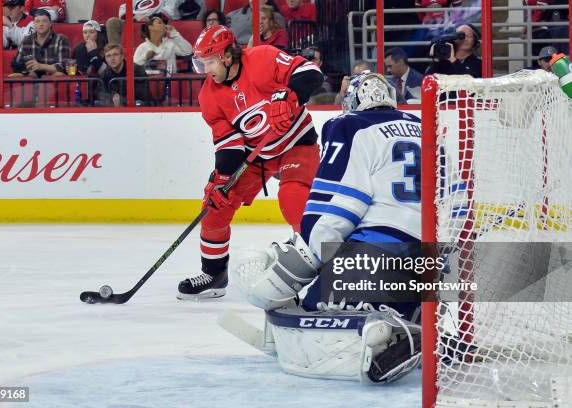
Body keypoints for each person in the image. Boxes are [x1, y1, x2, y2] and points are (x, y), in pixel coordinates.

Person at [232, 71, 422, 383]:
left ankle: (388, 331)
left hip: (377, 261)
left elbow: (333, 214)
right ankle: (413, 318)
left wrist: (298, 265)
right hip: (437, 264)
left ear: (352, 101)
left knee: (309, 311)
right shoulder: (424, 128)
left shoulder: (348, 126)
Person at [177, 25, 324, 300]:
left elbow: (311, 73)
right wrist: (222, 179)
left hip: (297, 142)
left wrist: (289, 95)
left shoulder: (263, 58)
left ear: (228, 56)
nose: (205, 69)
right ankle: (214, 274)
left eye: (209, 61)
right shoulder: (209, 96)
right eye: (202, 62)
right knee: (215, 204)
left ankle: (319, 264)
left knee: (293, 198)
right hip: (256, 154)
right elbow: (229, 146)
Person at [107, 0, 205, 45]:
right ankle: (116, 54)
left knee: (155, 25)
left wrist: (149, 19)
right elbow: (122, 11)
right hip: (134, 21)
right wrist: (135, 17)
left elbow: (169, 13)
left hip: (156, 22)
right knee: (112, 22)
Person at [11, 8, 69, 76]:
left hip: (52, 76)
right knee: (16, 75)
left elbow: (63, 66)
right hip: (32, 76)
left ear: (50, 24)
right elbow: (17, 63)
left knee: (59, 74)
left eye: (44, 21)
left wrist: (41, 66)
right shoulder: (26, 40)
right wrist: (26, 70)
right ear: (34, 24)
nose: (41, 24)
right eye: (37, 21)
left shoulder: (61, 39)